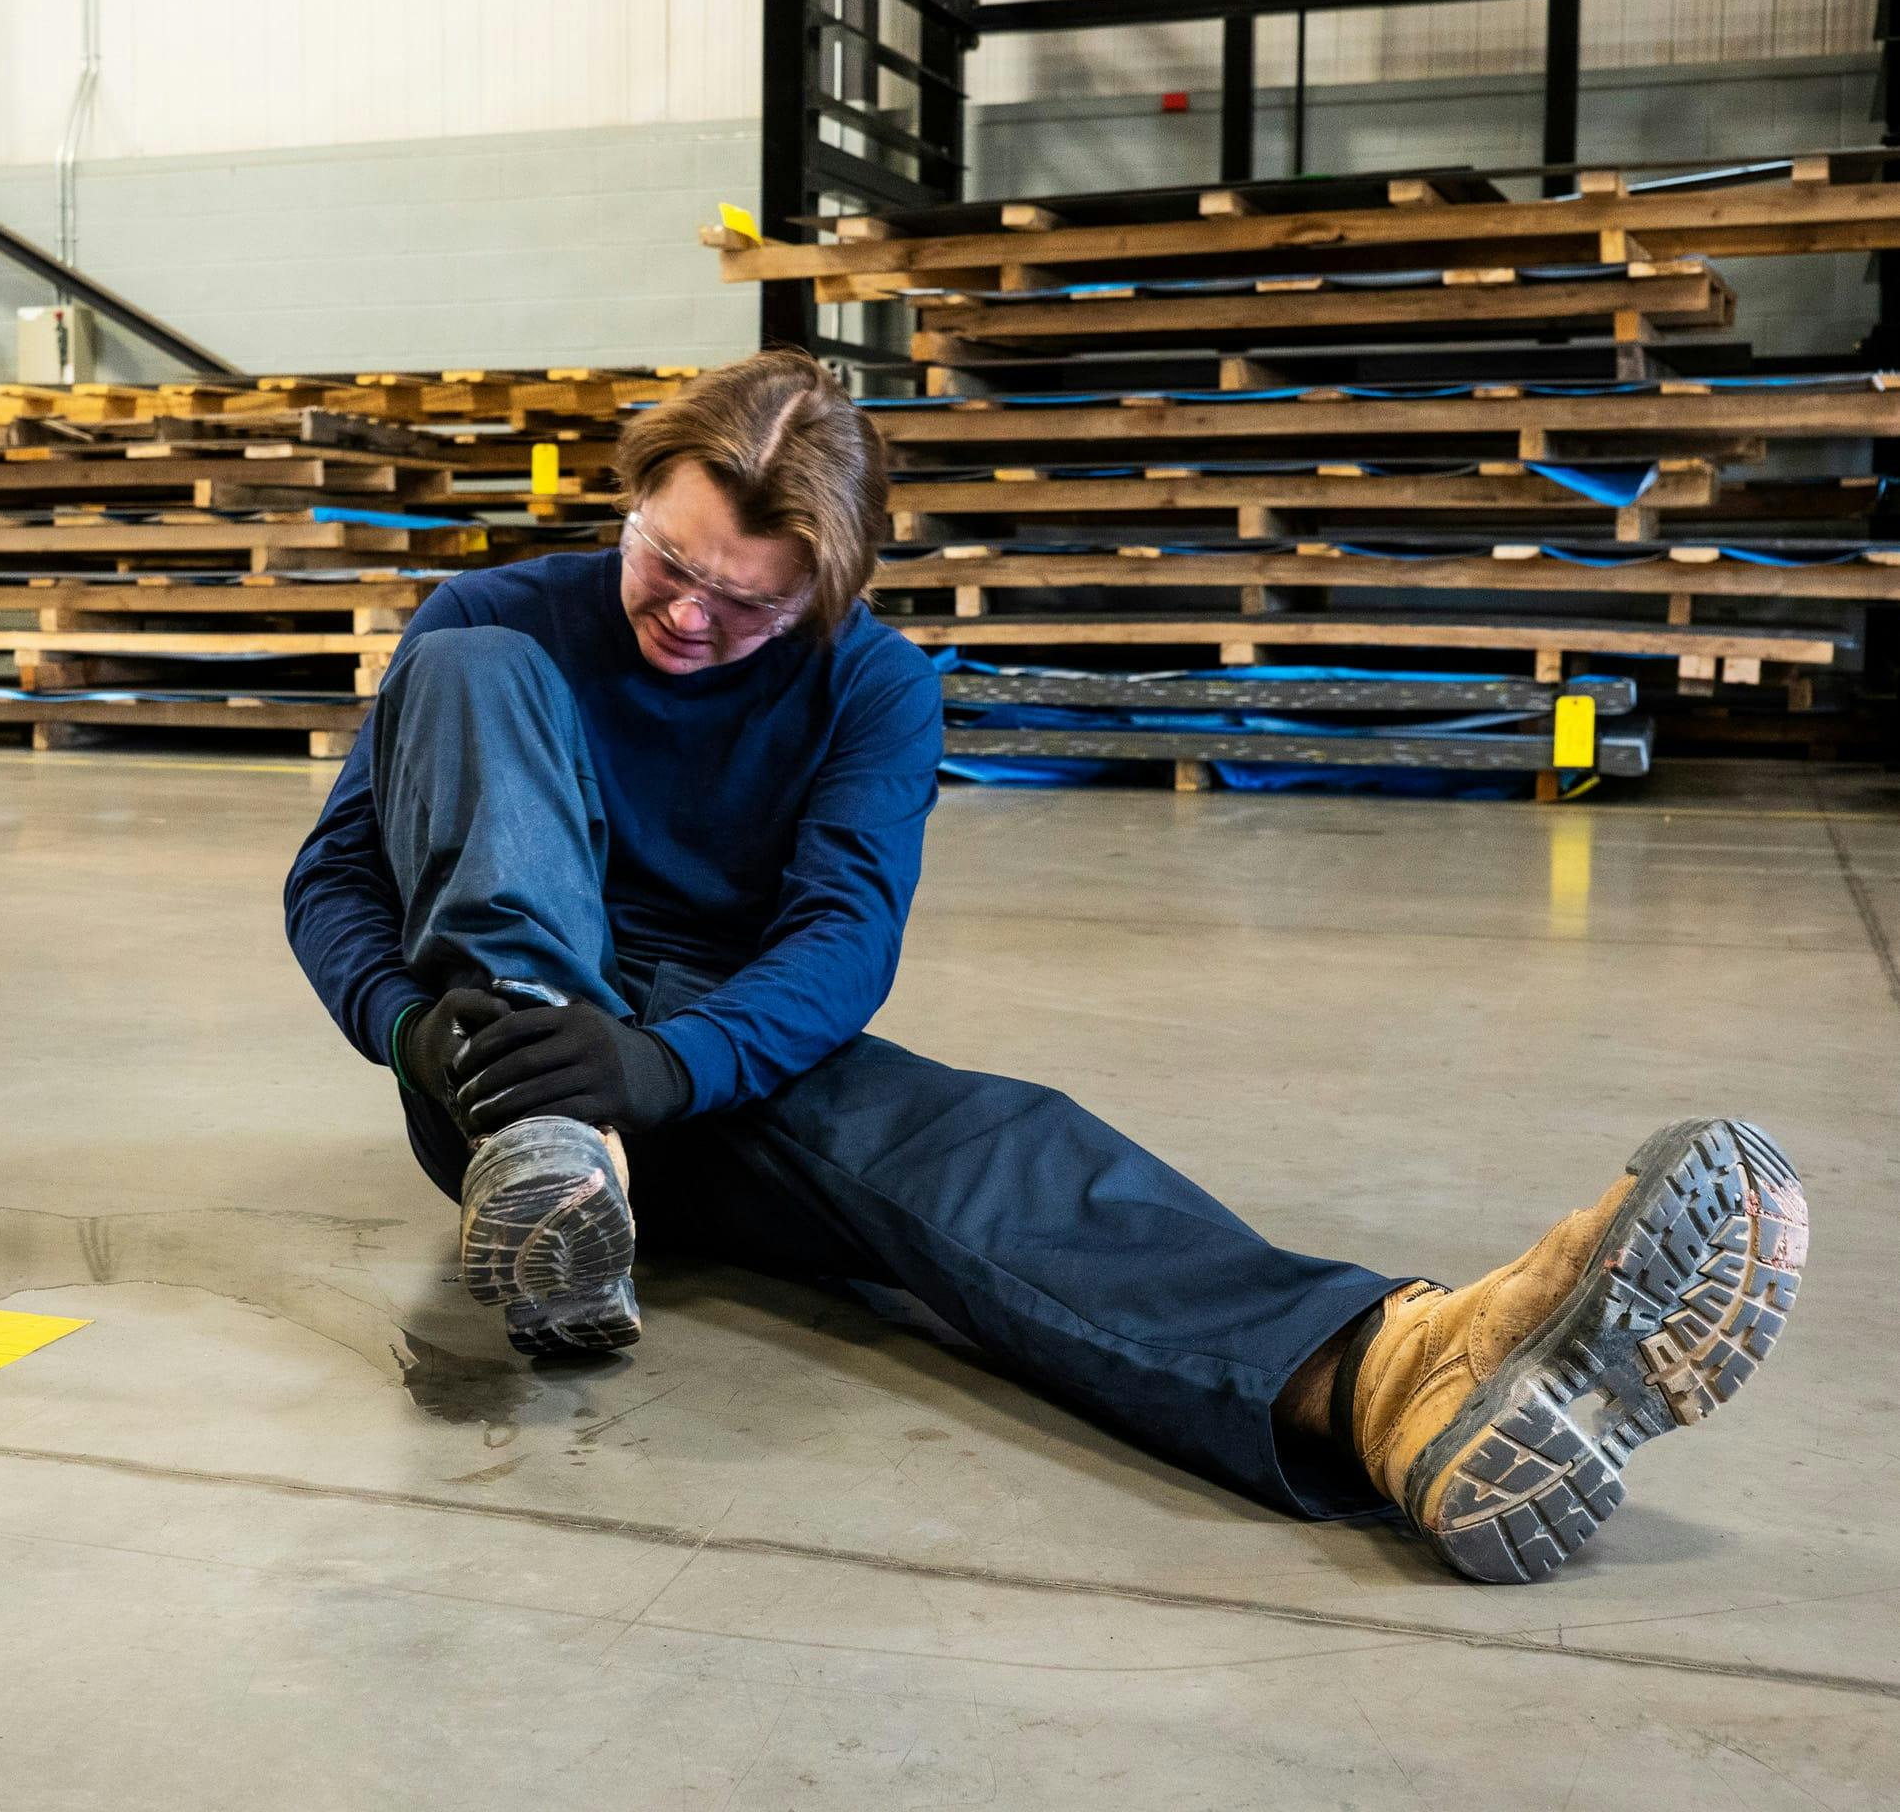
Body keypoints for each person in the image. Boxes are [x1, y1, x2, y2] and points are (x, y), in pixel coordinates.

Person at [285, 349, 1808, 1587]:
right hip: (497, 1061)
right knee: (478, 671)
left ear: (825, 592)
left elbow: (840, 939)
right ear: (632, 503)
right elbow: (338, 878)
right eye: (665, 560)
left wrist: (670, 1066)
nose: (687, 615)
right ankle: (555, 1162)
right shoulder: (496, 617)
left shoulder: (870, 685)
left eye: (745, 603)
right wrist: (427, 1039)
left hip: (707, 1049)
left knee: (977, 1146)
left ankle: (1390, 1386)